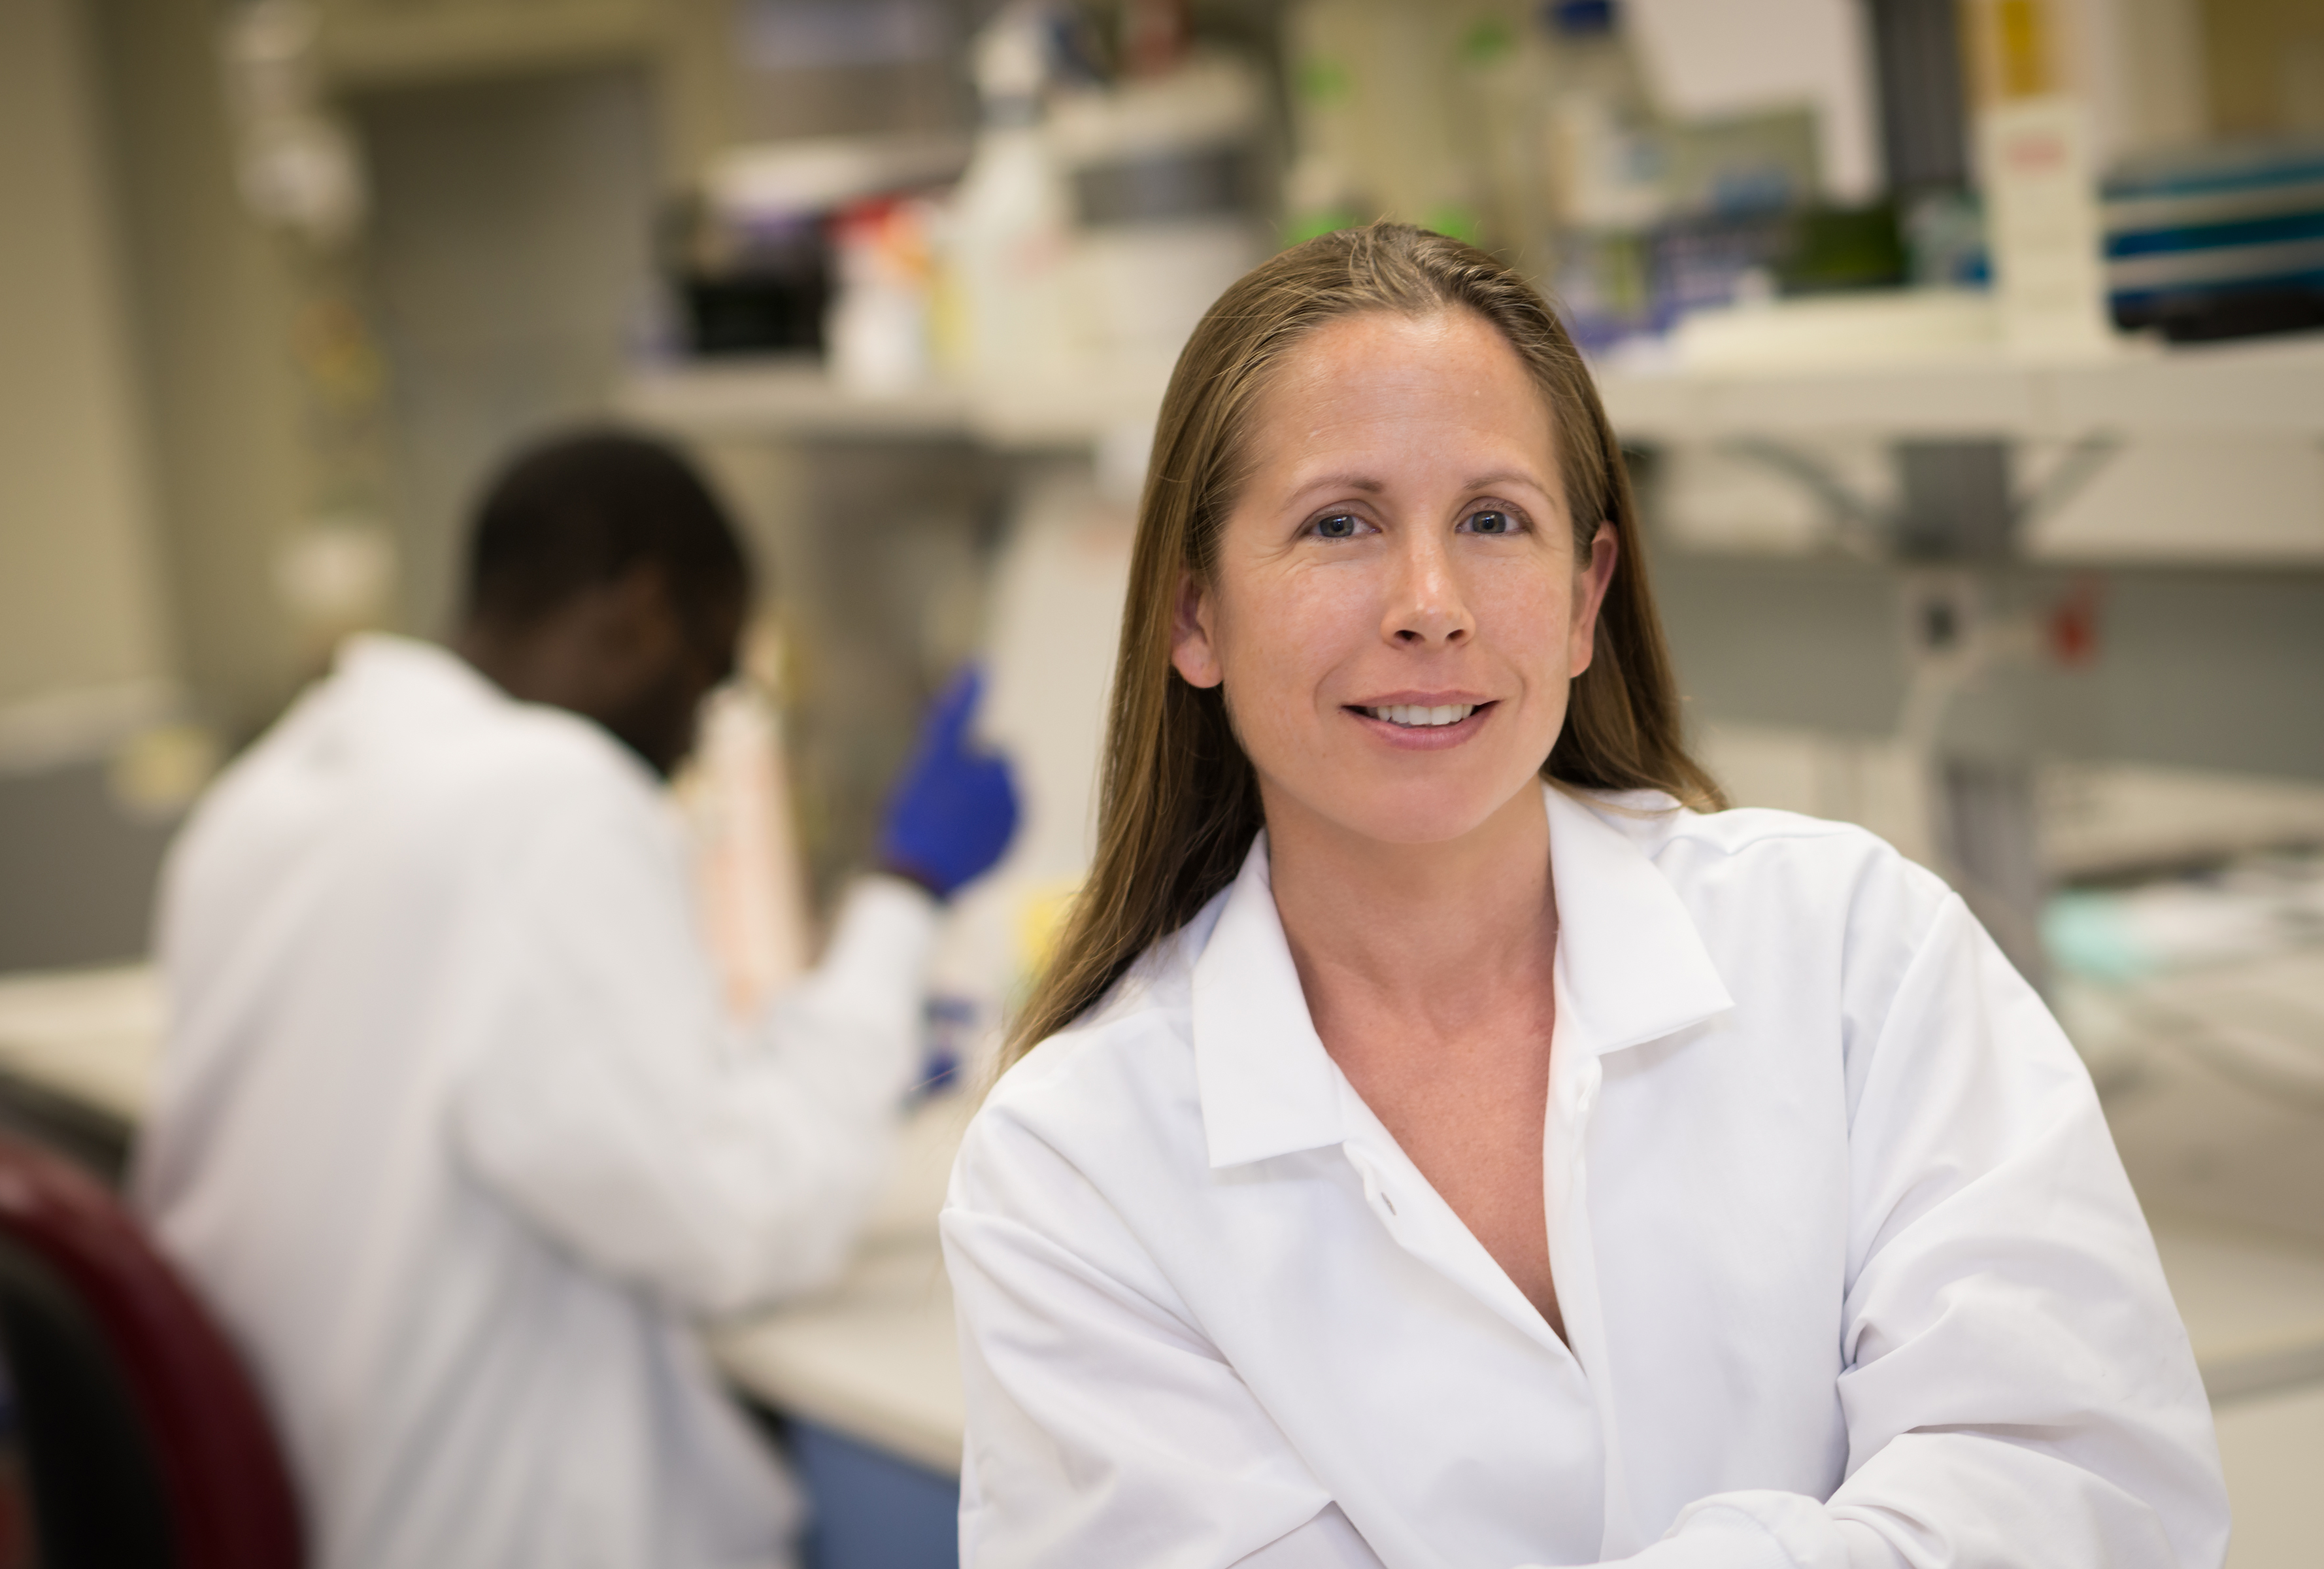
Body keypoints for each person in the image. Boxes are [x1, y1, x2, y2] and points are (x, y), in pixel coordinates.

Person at [939, 226, 2229, 1568]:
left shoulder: (1855, 955)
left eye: (1494, 520)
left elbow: (2088, 1484)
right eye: (1341, 524)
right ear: (1193, 615)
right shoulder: (1077, 1166)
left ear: (1583, 599)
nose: (1430, 604)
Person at [135, 430, 1017, 1569]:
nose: (702, 734)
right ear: (643, 612)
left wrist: (820, 1068)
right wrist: (905, 889)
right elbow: (739, 1226)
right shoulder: (543, 794)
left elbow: (510, 1098)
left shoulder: (273, 788)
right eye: (715, 678)